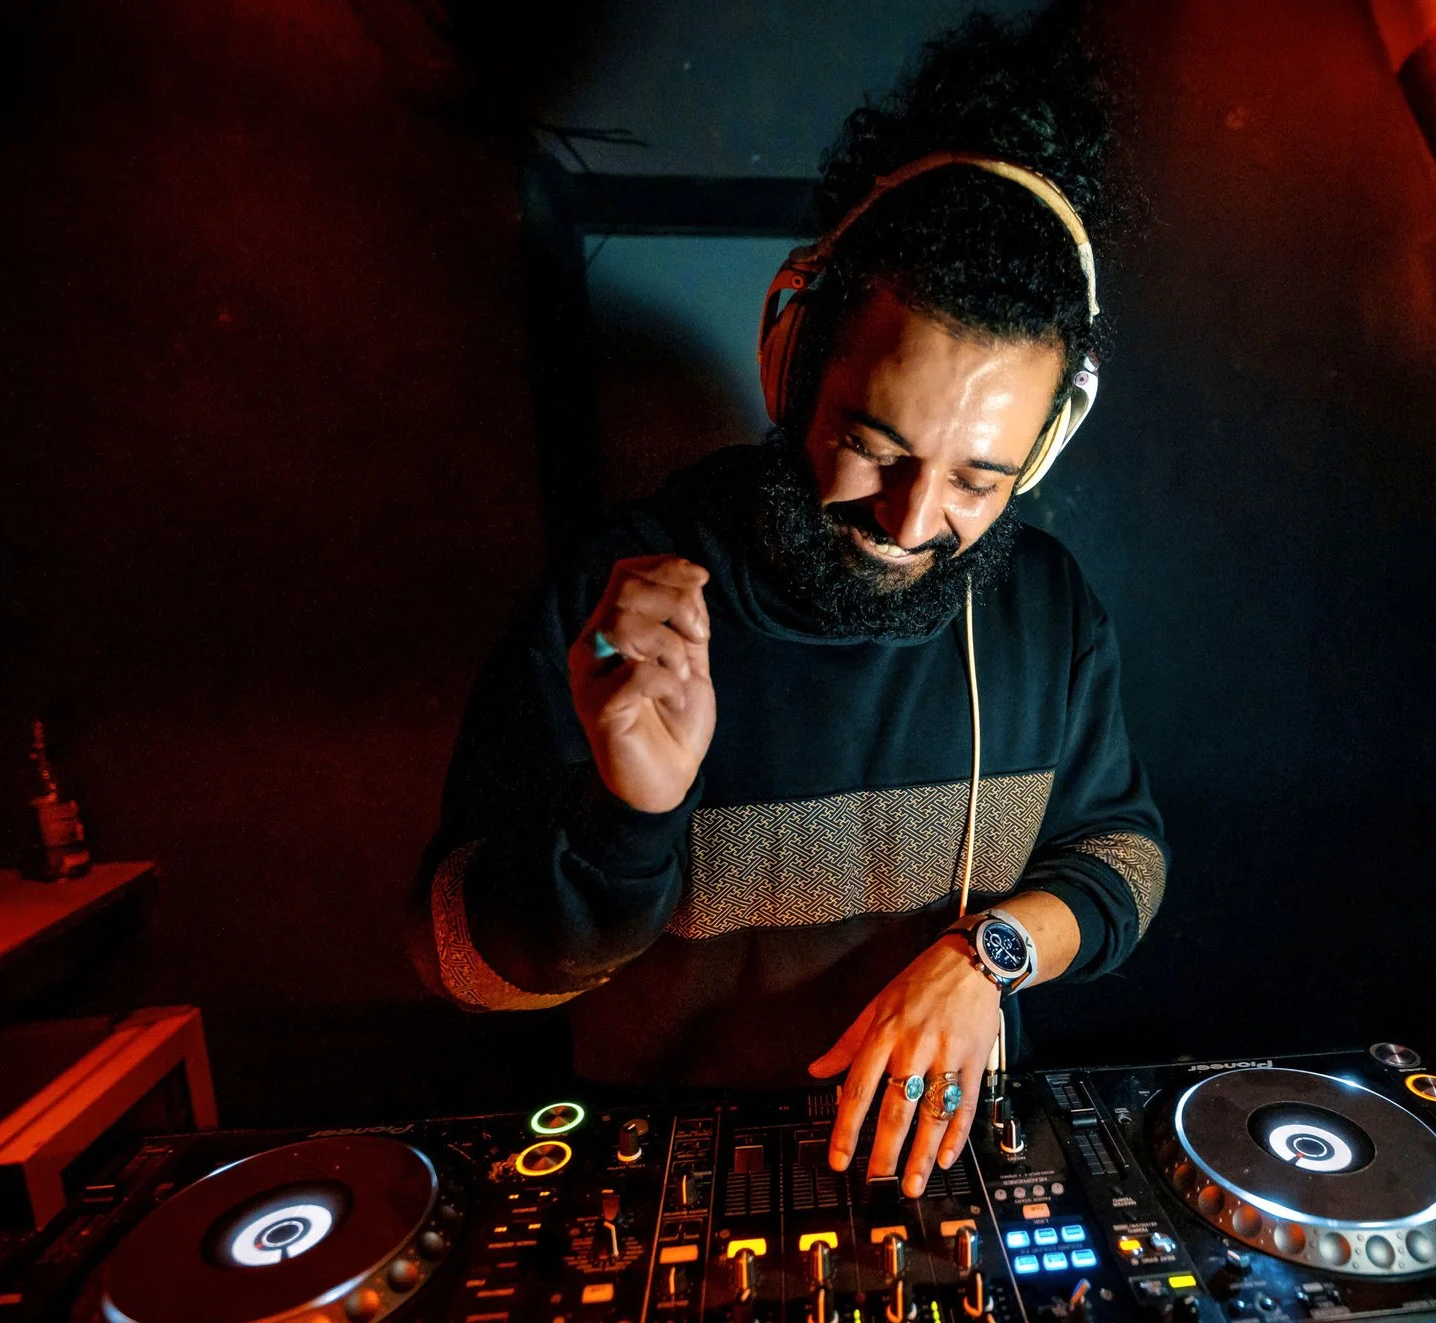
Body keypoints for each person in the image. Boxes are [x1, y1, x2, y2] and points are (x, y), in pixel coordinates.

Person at [414, 13, 1164, 1199]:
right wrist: (627, 816)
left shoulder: (1046, 611)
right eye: (873, 446)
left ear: (1050, 440)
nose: (914, 523)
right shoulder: (621, 596)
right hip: (672, 1191)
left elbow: (1123, 854)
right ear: (790, 362)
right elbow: (466, 964)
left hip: (950, 1172)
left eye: (980, 477)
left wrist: (987, 956)